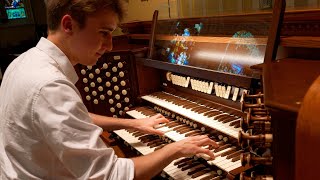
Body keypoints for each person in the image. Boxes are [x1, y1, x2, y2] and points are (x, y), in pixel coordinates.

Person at [0, 0, 218, 179]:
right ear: (68, 25)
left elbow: (75, 117)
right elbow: (110, 175)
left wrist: (133, 123)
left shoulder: (24, 62)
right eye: (104, 32)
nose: (110, 46)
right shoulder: (50, 86)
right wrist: (175, 149)